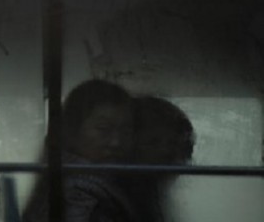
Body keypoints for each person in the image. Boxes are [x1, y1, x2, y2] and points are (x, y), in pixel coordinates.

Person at [23, 79, 138, 222]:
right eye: (103, 129)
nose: (116, 142)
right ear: (73, 131)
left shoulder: (68, 177)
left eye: (126, 131)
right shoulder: (77, 193)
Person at [128, 96, 195, 222]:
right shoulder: (103, 200)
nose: (166, 152)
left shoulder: (152, 195)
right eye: (153, 142)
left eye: (174, 144)